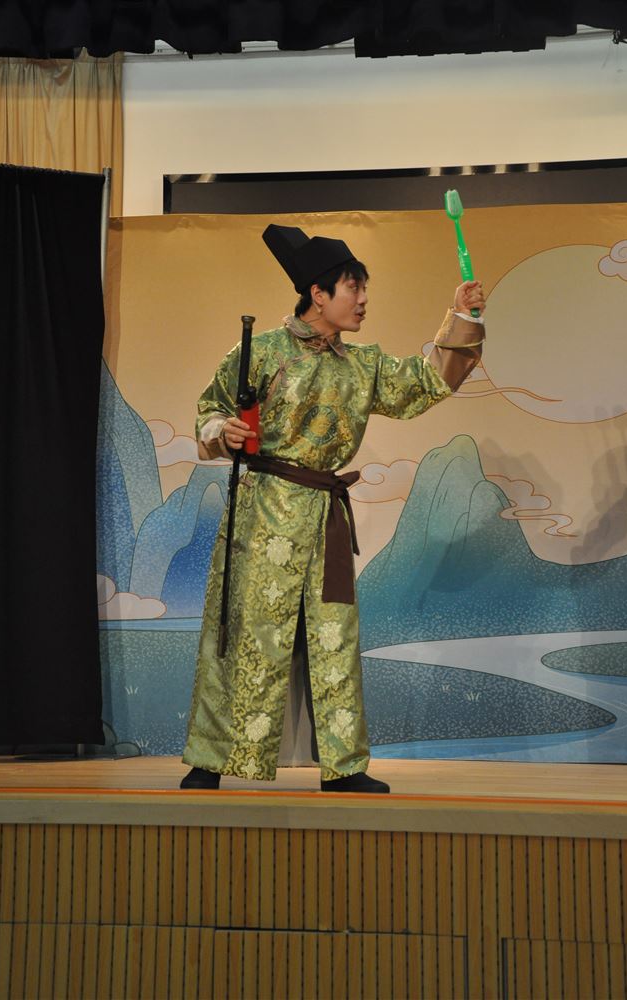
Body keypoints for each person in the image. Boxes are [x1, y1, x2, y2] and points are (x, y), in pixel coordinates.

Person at [180, 224, 486, 793]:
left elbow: (426, 381)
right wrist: (224, 431)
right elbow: (210, 410)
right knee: (246, 632)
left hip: (325, 516)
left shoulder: (364, 364)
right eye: (353, 288)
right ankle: (210, 760)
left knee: (333, 639)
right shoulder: (261, 351)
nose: (363, 299)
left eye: (364, 288)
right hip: (263, 512)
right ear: (318, 294)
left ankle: (344, 767)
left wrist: (462, 317)